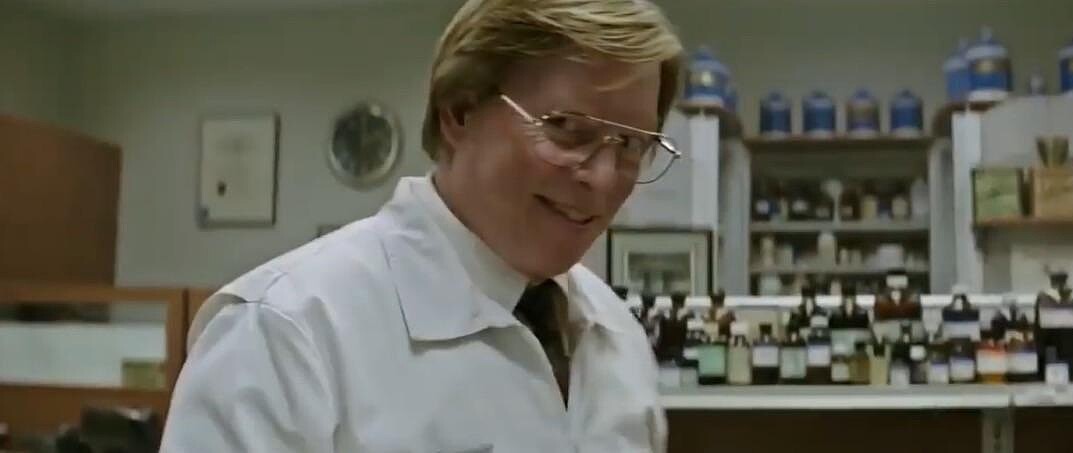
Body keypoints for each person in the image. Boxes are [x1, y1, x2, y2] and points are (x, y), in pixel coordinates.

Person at [160, 0, 684, 451]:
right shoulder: (284, 333)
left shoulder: (617, 336)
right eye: (567, 130)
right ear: (460, 112)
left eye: (631, 144)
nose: (603, 178)